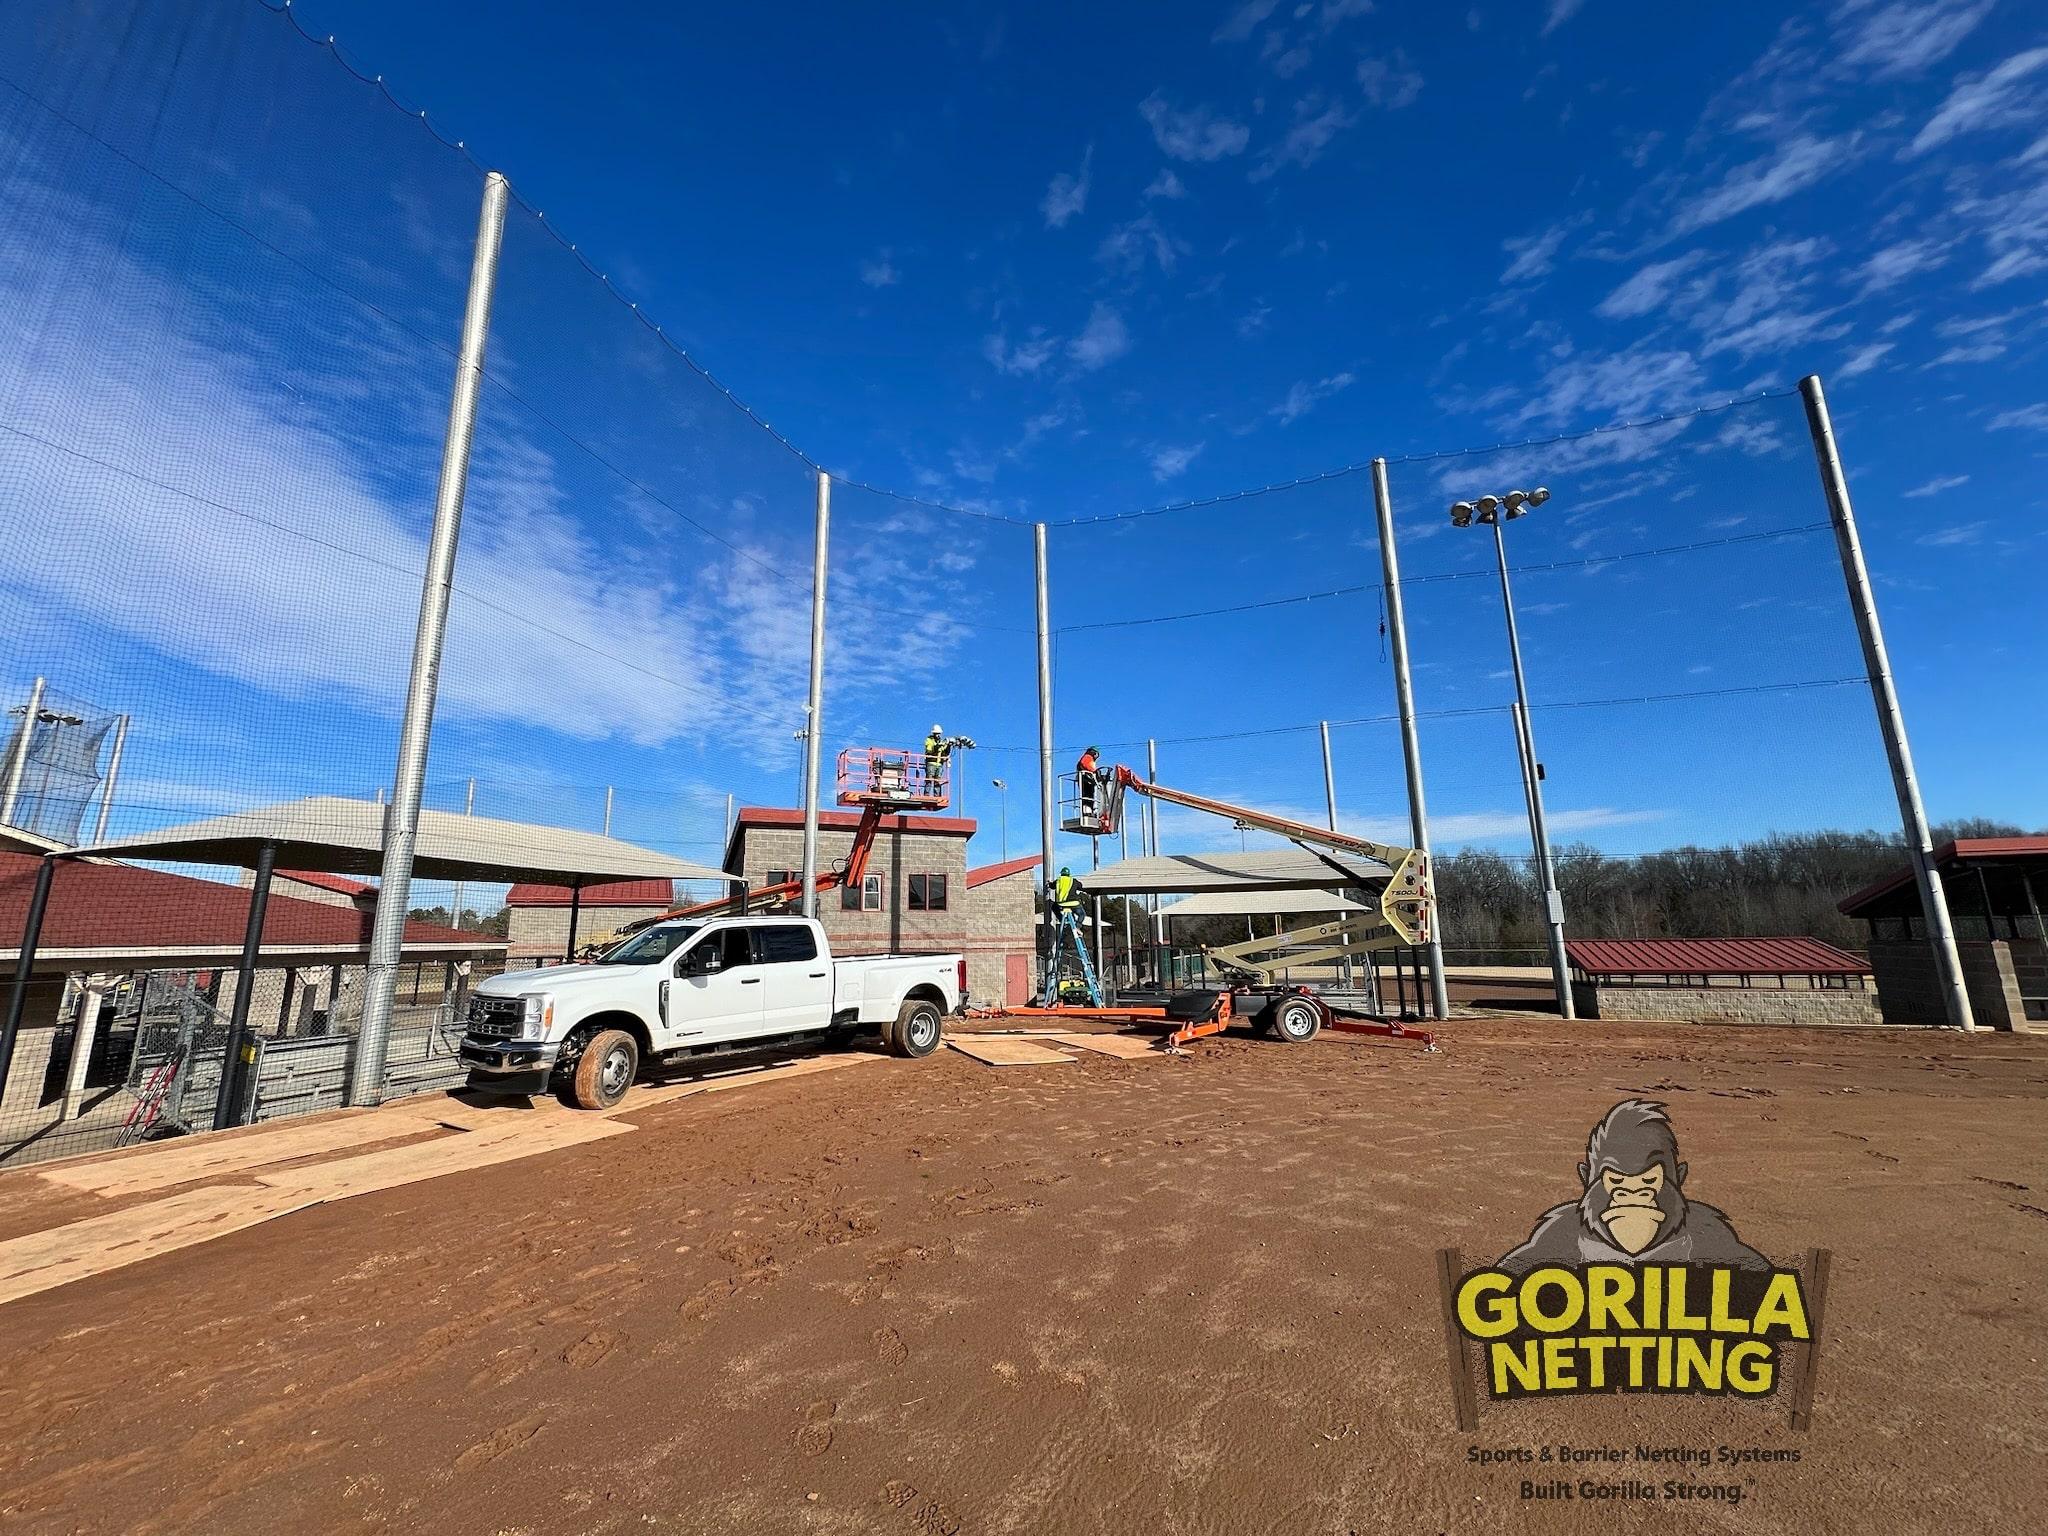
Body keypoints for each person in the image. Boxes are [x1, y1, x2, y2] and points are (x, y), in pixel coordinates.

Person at [1075, 744, 1101, 819]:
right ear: (1094, 753)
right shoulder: (1088, 757)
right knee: (1087, 796)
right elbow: (1085, 764)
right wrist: (1094, 771)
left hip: (1086, 780)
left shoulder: (1088, 757)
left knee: (1089, 796)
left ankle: (1089, 811)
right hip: (1086, 780)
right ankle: (1087, 812)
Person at [924, 723, 950, 796]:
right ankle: (927, 794)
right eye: (937, 733)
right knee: (929, 779)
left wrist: (948, 746)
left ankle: (937, 795)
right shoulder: (929, 740)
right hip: (931, 762)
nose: (938, 735)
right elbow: (929, 750)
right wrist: (936, 746)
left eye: (939, 733)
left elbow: (945, 753)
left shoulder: (941, 741)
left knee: (937, 781)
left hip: (939, 764)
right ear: (934, 733)